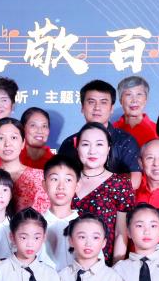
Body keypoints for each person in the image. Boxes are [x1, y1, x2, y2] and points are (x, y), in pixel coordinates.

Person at [71, 122, 134, 263]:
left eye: (99, 144)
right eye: (86, 144)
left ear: (108, 148)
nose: (92, 151)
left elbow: (120, 233)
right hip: (65, 264)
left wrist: (116, 268)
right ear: (77, 147)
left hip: (103, 267)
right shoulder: (67, 181)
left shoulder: (120, 184)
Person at [56, 79, 141, 178]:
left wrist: (108, 187)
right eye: (91, 102)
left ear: (111, 108)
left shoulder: (125, 141)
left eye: (103, 102)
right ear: (82, 107)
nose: (97, 108)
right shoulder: (69, 143)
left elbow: (135, 177)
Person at [0, 117, 49, 213]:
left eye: (13, 138)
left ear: (23, 143)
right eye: (1, 138)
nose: (7, 144)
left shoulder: (41, 177)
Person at [41, 154, 80, 269]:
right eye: (54, 179)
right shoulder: (35, 225)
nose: (61, 186)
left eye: (68, 180)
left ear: (77, 186)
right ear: (44, 185)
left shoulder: (87, 226)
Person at [113, 76, 158, 146]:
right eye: (128, 94)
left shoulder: (158, 131)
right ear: (120, 100)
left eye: (139, 94)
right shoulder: (111, 129)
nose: (134, 100)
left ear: (146, 99)